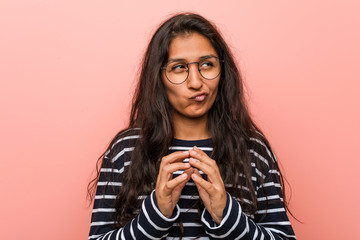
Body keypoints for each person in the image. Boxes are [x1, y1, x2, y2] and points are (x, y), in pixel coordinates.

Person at [88, 13, 296, 239]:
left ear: (223, 70)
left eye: (207, 64)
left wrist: (226, 214)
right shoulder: (125, 150)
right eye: (179, 68)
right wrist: (156, 214)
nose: (196, 82)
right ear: (158, 77)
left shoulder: (253, 149)